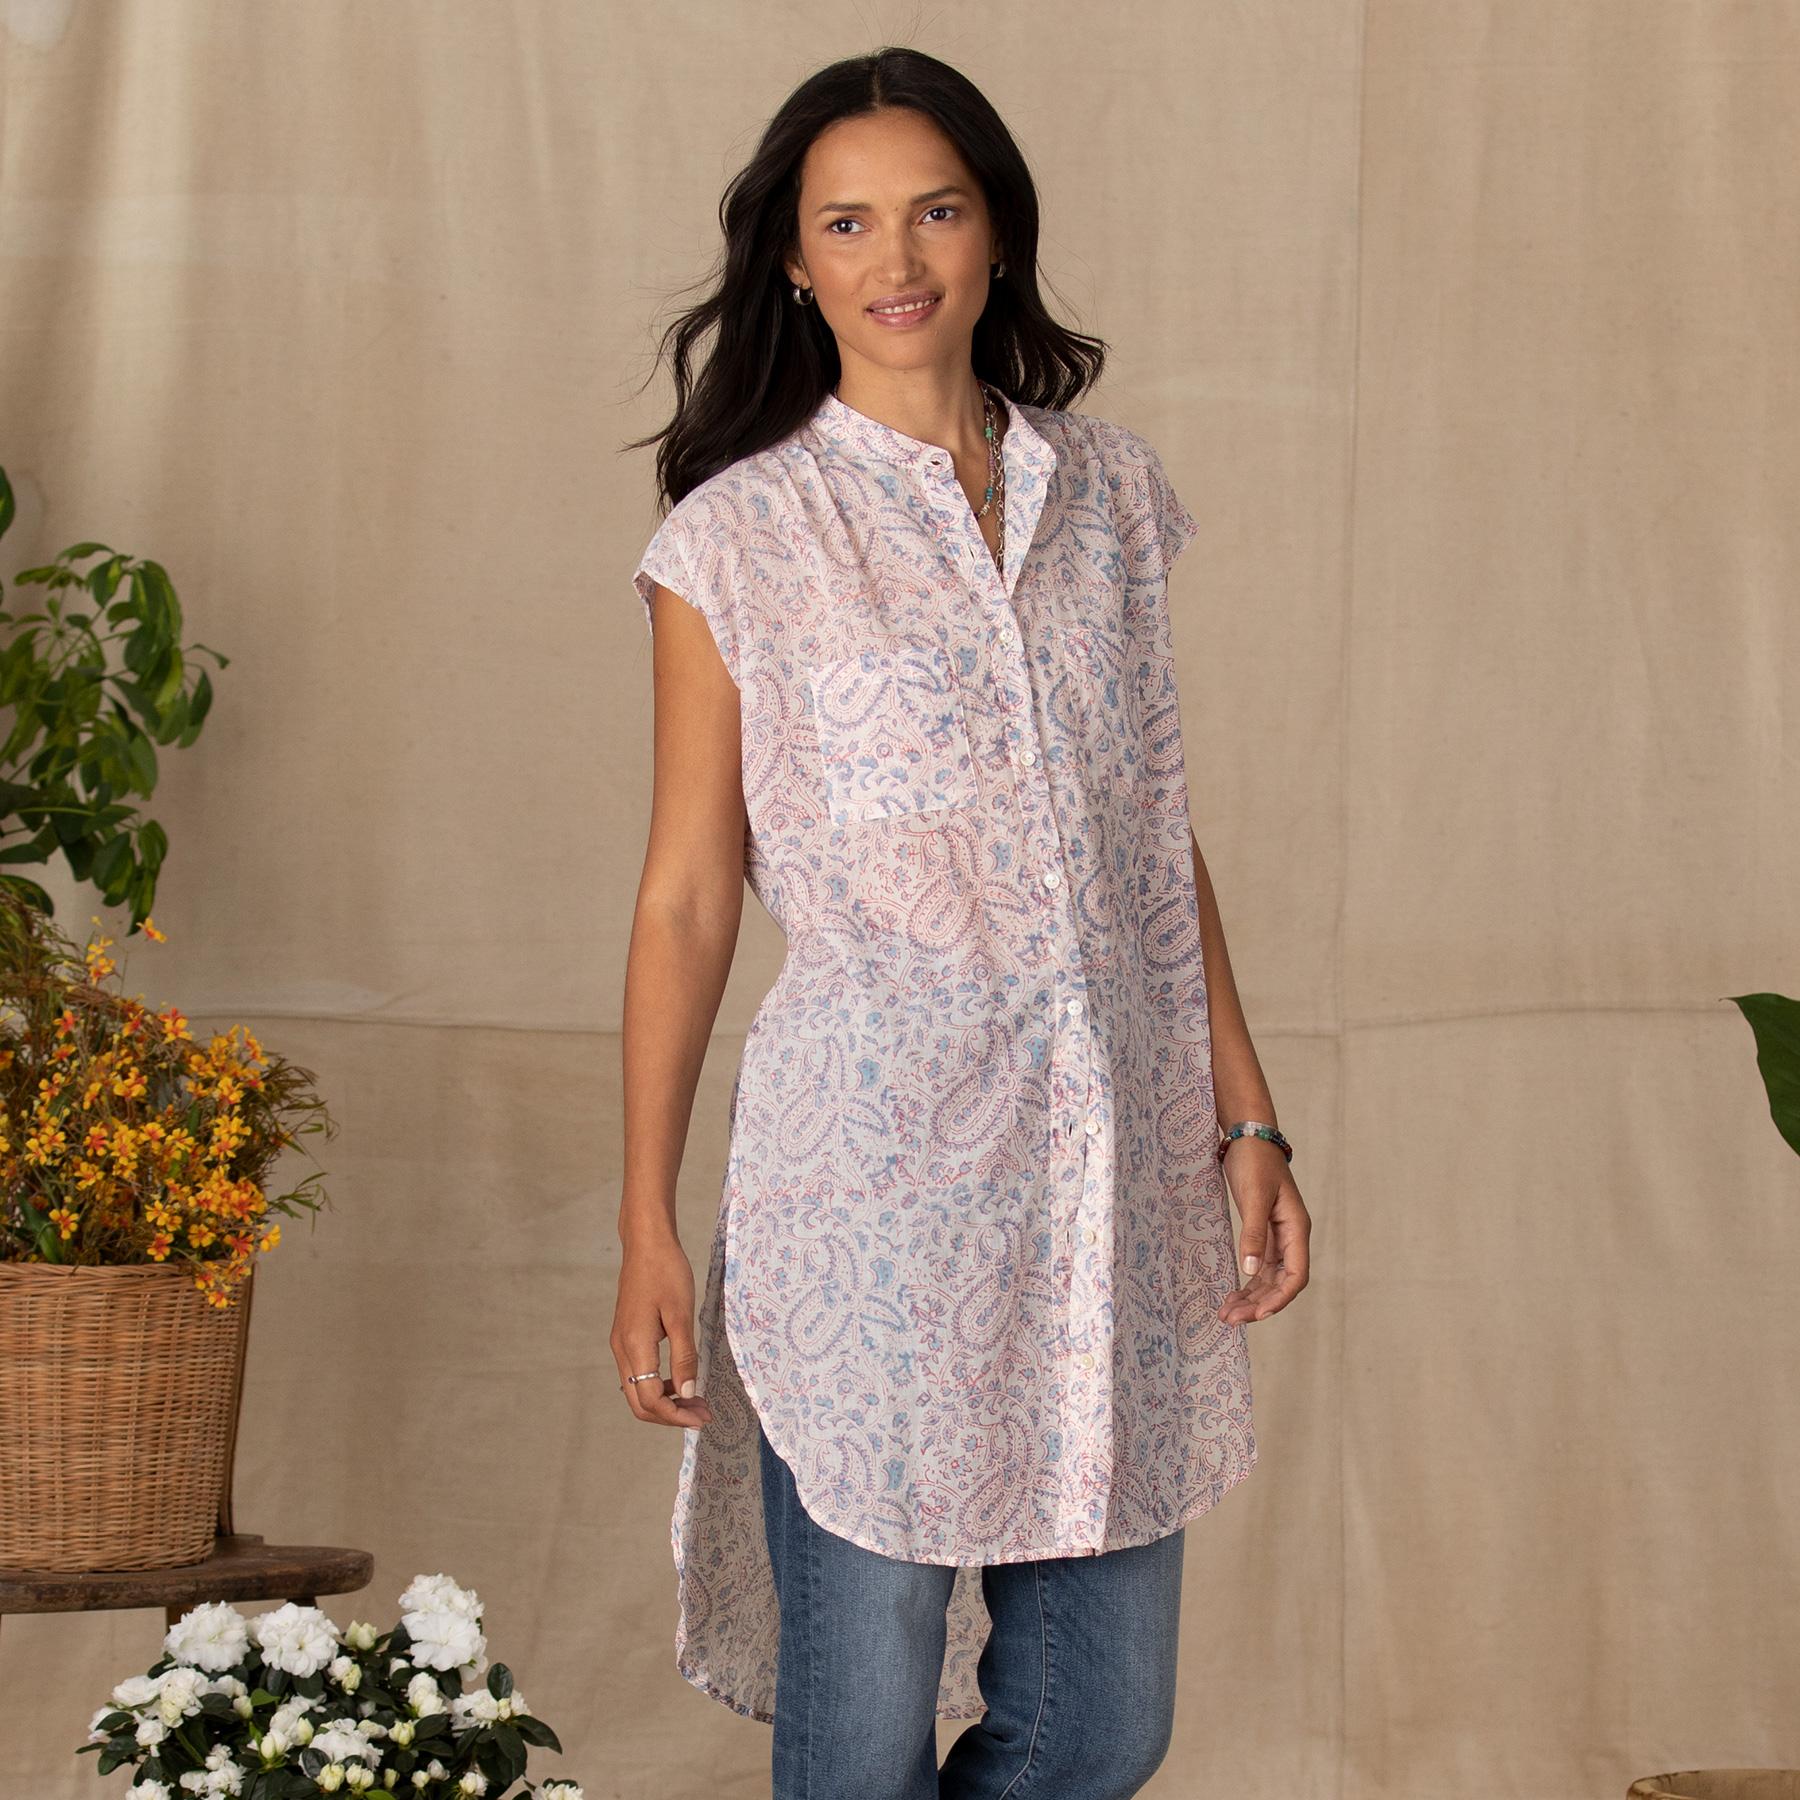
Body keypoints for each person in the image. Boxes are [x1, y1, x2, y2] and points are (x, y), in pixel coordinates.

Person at [614, 44, 1312, 1800]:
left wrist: (1246, 1118)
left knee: (1100, 1729)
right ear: (793, 262)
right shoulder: (740, 538)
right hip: (868, 1198)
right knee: (859, 1751)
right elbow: (688, 896)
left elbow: (1151, 836)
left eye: (934, 210)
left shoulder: (1112, 498)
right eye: (847, 223)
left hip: (1103, 1186)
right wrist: (643, 1216)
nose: (897, 256)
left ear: (996, 231)